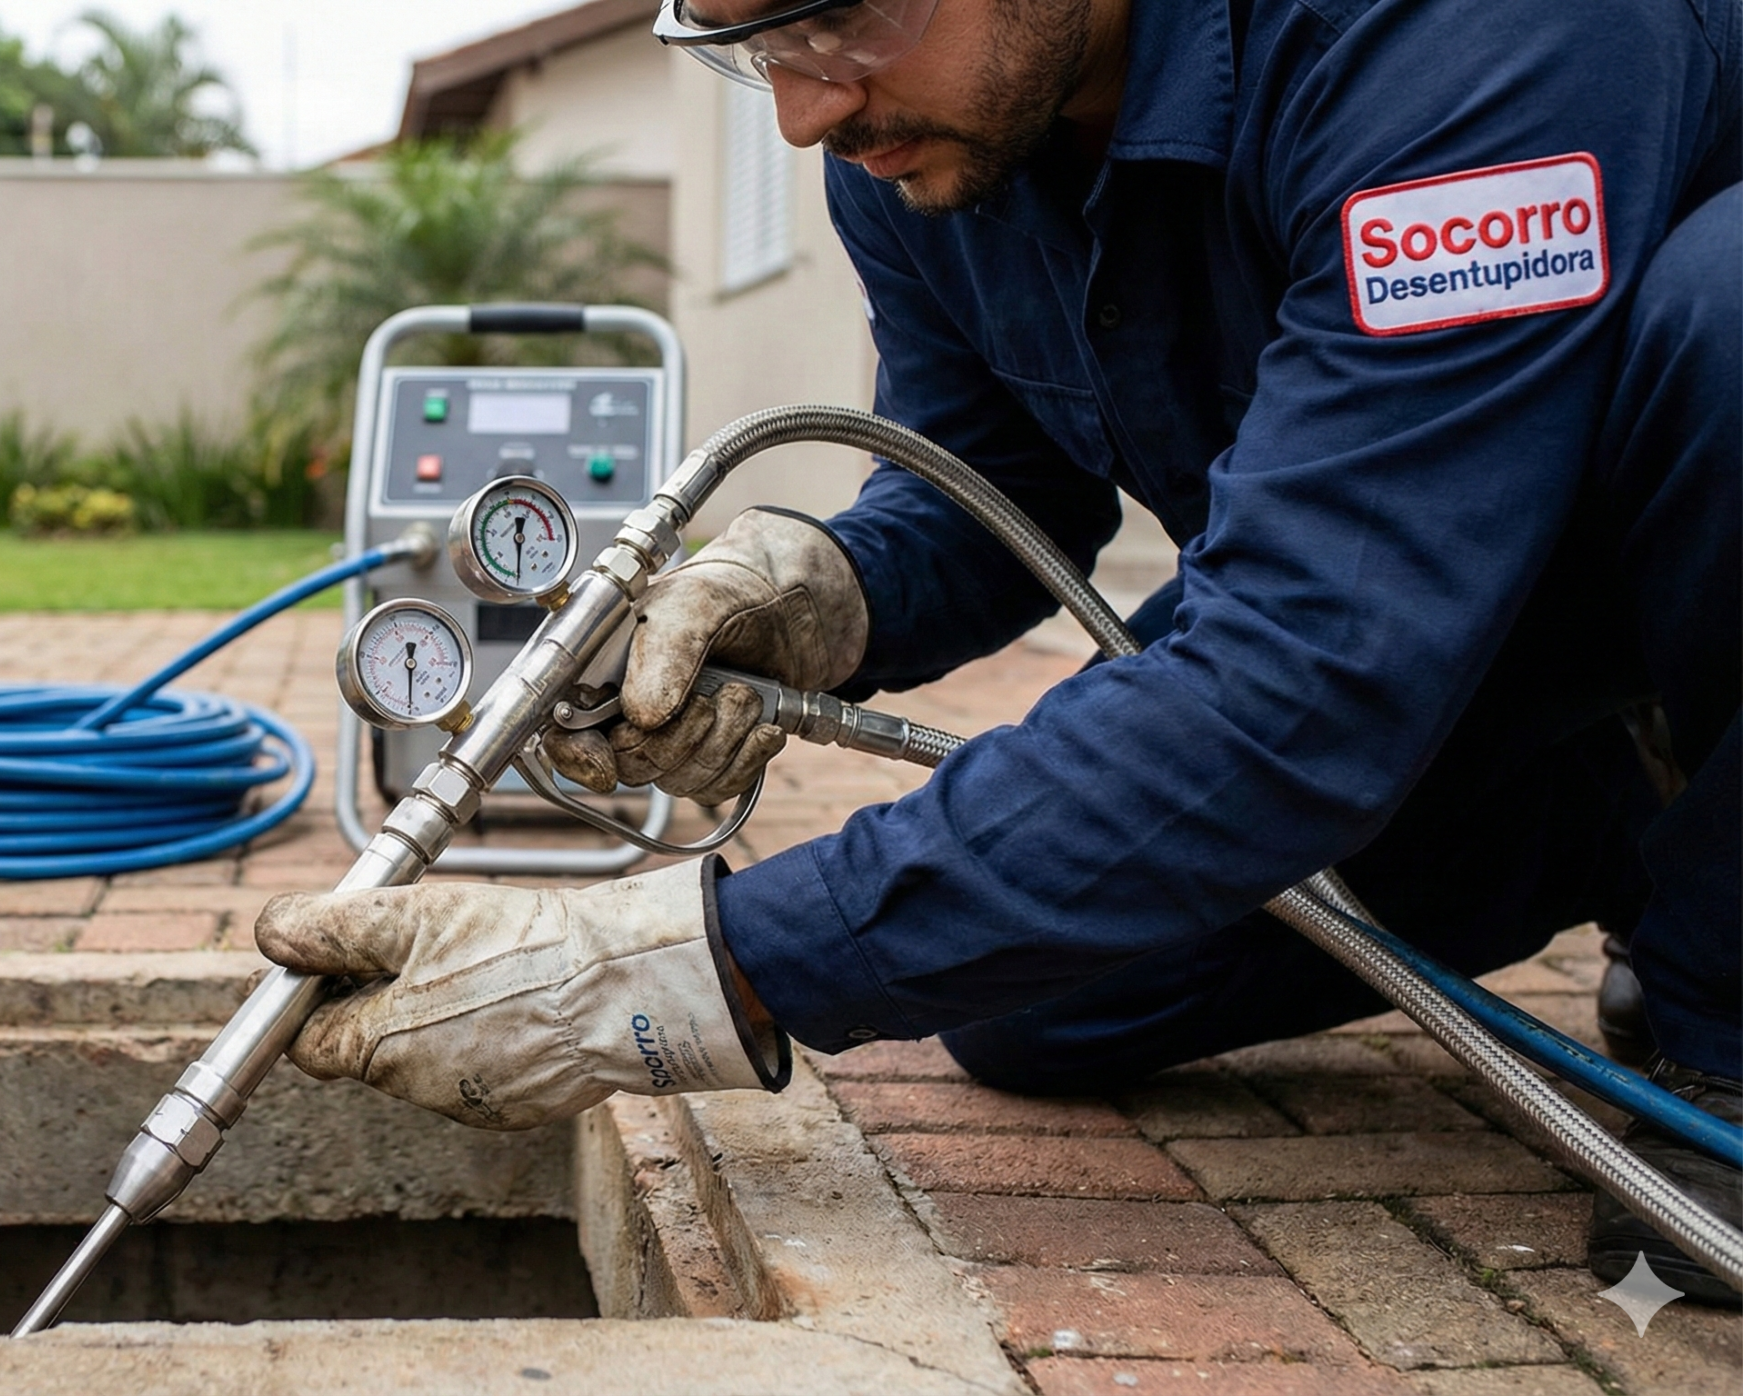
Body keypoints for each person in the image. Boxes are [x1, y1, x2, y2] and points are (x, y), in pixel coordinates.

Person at [257, 0, 1739, 1301]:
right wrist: (828, 595)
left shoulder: (1462, 33)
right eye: (748, 46)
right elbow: (990, 486)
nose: (801, 109)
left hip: (1551, 549)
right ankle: (1628, 815)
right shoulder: (920, 143)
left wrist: (697, 967)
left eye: (832, 19)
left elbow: (1307, 667)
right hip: (1444, 605)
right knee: (1038, 990)